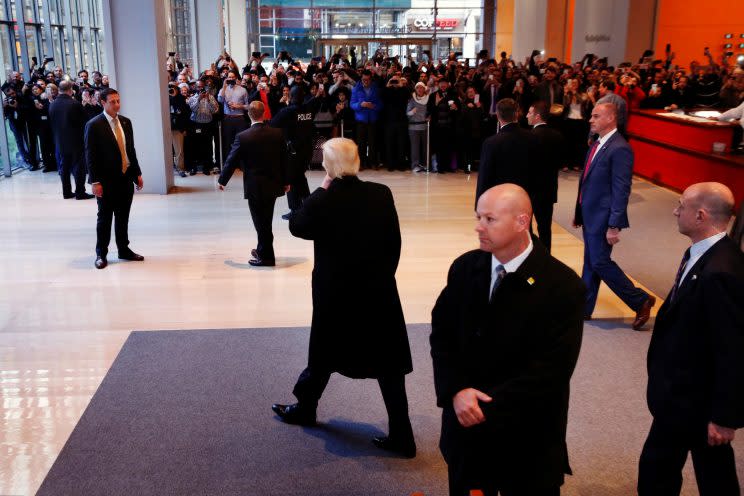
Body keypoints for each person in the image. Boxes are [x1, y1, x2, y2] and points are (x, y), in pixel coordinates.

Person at [431, 184, 585, 496]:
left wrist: (484, 406)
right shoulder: (464, 268)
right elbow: (443, 336)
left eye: (489, 219)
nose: (479, 227)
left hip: (526, 441)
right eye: (478, 217)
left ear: (521, 222)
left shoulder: (563, 286)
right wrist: (456, 390)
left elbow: (551, 371)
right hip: (466, 434)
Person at [272, 137, 416, 458]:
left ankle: (305, 408)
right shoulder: (381, 194)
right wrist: (383, 277)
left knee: (323, 354)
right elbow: (394, 243)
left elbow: (297, 225)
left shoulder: (324, 199)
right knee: (388, 363)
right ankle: (403, 435)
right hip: (378, 290)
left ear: (328, 166)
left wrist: (322, 188)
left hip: (336, 293)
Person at [638, 182, 744, 496]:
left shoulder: (720, 272)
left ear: (700, 216)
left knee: (665, 471)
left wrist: (725, 417)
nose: (674, 210)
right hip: (682, 393)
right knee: (695, 470)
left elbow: (734, 350)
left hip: (694, 400)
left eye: (681, 205)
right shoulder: (703, 254)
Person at [573, 102, 655, 328]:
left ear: (611, 119)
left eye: (596, 116)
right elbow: (587, 182)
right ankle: (584, 308)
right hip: (590, 214)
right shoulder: (596, 144)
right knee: (591, 262)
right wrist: (579, 213)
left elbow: (621, 189)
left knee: (599, 261)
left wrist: (614, 224)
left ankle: (639, 300)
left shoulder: (620, 149)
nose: (591, 120)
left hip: (603, 217)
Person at [217, 101, 289, 267]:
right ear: (264, 113)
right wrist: (286, 181)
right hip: (273, 183)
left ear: (249, 114)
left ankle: (266, 258)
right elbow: (284, 160)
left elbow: (231, 160)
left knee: (260, 222)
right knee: (266, 220)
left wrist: (223, 180)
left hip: (255, 186)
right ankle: (263, 250)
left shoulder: (243, 137)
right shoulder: (277, 134)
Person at [84, 88, 144, 269]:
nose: (117, 105)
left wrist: (137, 173)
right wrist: (95, 182)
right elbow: (90, 155)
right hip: (105, 181)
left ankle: (123, 249)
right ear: (103, 102)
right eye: (112, 102)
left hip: (125, 178)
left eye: (118, 101)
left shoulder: (126, 122)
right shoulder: (94, 125)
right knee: (104, 218)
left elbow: (130, 150)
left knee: (123, 216)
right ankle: (101, 253)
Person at [475, 98, 534, 204]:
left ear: (497, 115)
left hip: (499, 200)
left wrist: (479, 205)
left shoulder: (491, 142)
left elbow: (485, 177)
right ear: (517, 114)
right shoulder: (532, 137)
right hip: (525, 198)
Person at [527, 101, 564, 253]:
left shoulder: (529, 137)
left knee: (526, 229)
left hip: (530, 191)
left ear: (537, 116)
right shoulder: (558, 136)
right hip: (548, 189)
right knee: (545, 228)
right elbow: (561, 162)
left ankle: (529, 258)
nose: (526, 115)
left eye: (529, 113)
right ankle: (546, 259)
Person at [48, 80, 94, 199]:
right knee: (79, 166)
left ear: (59, 89)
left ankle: (66, 192)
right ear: (70, 90)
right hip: (75, 140)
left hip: (60, 141)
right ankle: (80, 192)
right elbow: (85, 122)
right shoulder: (74, 104)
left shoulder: (52, 104)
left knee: (64, 166)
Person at [350, 69, 382, 169]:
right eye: (364, 80)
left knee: (373, 142)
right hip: (361, 119)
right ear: (361, 78)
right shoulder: (356, 88)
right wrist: (361, 104)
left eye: (367, 80)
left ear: (371, 79)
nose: (365, 82)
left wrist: (374, 106)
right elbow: (351, 104)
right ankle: (361, 163)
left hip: (372, 119)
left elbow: (381, 104)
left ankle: (373, 163)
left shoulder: (376, 88)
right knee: (361, 143)